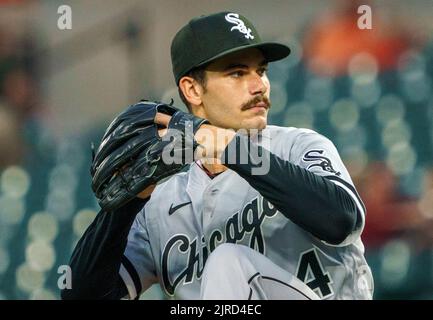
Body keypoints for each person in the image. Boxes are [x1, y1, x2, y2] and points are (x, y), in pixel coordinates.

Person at [61, 11, 373, 300]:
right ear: (193, 90)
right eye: (238, 73)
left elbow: (341, 221)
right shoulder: (161, 206)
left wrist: (228, 147)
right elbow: (81, 296)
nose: (258, 85)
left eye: (261, 70)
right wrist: (123, 207)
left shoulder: (298, 146)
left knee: (228, 262)